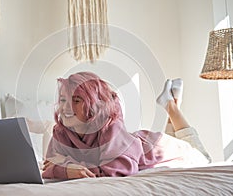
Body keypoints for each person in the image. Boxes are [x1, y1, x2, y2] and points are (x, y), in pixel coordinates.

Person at [42, 72, 211, 180]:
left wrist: (68, 168)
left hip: (157, 148)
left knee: (204, 157)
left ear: (94, 105)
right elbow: (48, 164)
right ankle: (171, 102)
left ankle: (171, 106)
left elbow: (117, 170)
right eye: (63, 100)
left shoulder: (109, 126)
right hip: (132, 142)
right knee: (177, 136)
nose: (66, 107)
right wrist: (66, 168)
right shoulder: (61, 131)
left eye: (76, 100)